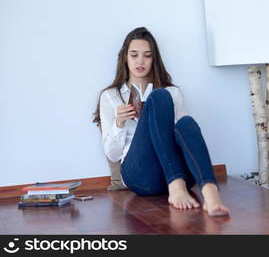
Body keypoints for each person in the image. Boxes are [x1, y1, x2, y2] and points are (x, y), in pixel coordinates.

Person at [92, 27, 230, 216]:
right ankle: (176, 187)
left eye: (147, 56)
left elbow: (185, 134)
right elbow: (113, 155)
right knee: (159, 97)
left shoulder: (172, 92)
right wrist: (119, 124)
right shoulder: (110, 96)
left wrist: (159, 118)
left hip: (178, 172)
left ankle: (210, 191)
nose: (140, 61)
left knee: (185, 121)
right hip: (141, 173)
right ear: (125, 57)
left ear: (154, 59)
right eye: (134, 55)